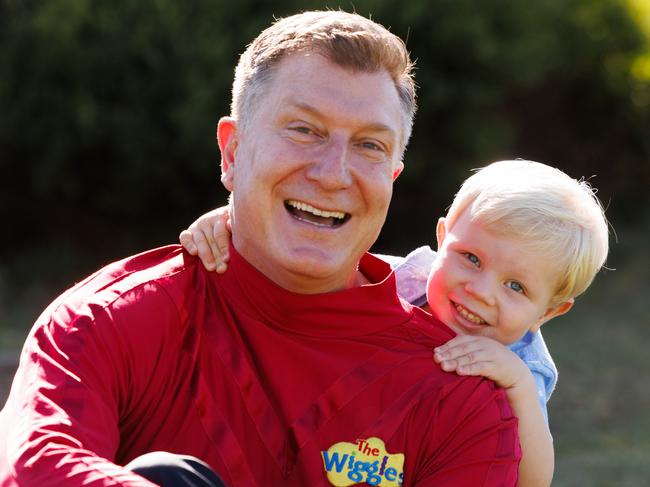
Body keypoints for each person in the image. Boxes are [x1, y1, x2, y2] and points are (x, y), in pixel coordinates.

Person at [0, 11, 522, 486]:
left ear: (392, 175)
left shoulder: (457, 389)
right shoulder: (108, 321)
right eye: (304, 130)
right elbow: (37, 465)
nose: (333, 173)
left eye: (369, 145)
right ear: (232, 151)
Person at [180, 159, 610, 487]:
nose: (481, 289)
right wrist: (233, 225)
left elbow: (534, 480)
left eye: (516, 287)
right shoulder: (401, 280)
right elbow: (314, 264)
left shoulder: (521, 362)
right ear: (442, 238)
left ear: (549, 312)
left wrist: (514, 383)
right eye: (471, 258)